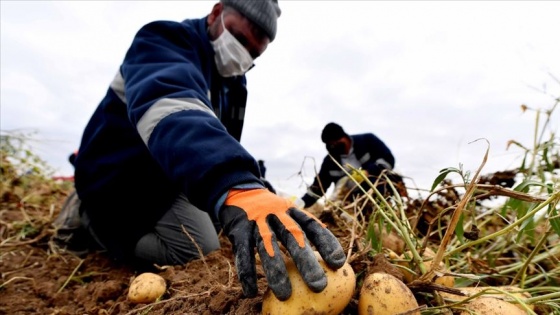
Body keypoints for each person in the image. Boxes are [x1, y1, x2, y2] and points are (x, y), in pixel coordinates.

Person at [53, 0, 345, 302]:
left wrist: (260, 190)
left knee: (230, 223)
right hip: (120, 175)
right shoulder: (163, 40)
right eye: (239, 38)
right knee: (197, 250)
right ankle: (90, 217)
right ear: (217, 12)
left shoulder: (232, 84)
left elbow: (220, 143)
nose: (243, 55)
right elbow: (173, 107)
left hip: (169, 173)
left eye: (253, 53)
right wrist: (234, 184)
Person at [297, 122, 404, 208]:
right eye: (330, 145)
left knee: (383, 183)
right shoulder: (330, 161)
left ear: (344, 137)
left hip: (378, 187)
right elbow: (319, 186)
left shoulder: (368, 141)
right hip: (351, 199)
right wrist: (300, 203)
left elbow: (388, 159)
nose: (333, 147)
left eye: (335, 143)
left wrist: (368, 172)